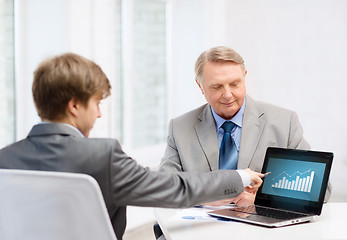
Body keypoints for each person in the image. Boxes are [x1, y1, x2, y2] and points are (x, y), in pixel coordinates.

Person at [0, 53, 264, 240]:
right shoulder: (101, 157)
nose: (99, 115)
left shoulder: (5, 159)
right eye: (97, 103)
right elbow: (175, 188)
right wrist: (240, 177)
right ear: (74, 106)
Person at [159, 46, 331, 205]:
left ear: (244, 77)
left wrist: (260, 199)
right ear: (200, 86)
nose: (228, 94)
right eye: (217, 86)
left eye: (235, 84)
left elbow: (321, 190)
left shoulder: (284, 123)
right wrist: (207, 197)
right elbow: (163, 188)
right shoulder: (180, 128)